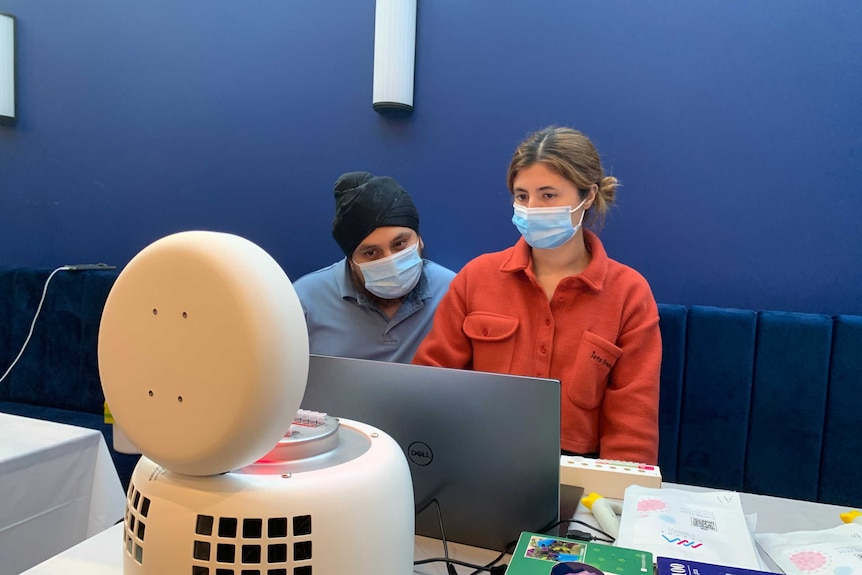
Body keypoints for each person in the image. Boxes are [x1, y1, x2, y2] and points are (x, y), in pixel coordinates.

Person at [412, 126, 661, 464]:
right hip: (479, 460)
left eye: (548, 195)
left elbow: (633, 423)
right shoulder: (476, 278)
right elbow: (430, 384)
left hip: (581, 473)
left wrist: (614, 501)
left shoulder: (629, 293)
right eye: (521, 195)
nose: (531, 208)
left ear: (587, 196)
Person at [293, 171, 456, 364]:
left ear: (419, 240)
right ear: (351, 261)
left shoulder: (453, 292)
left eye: (400, 244)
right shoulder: (303, 300)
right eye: (371, 253)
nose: (391, 261)